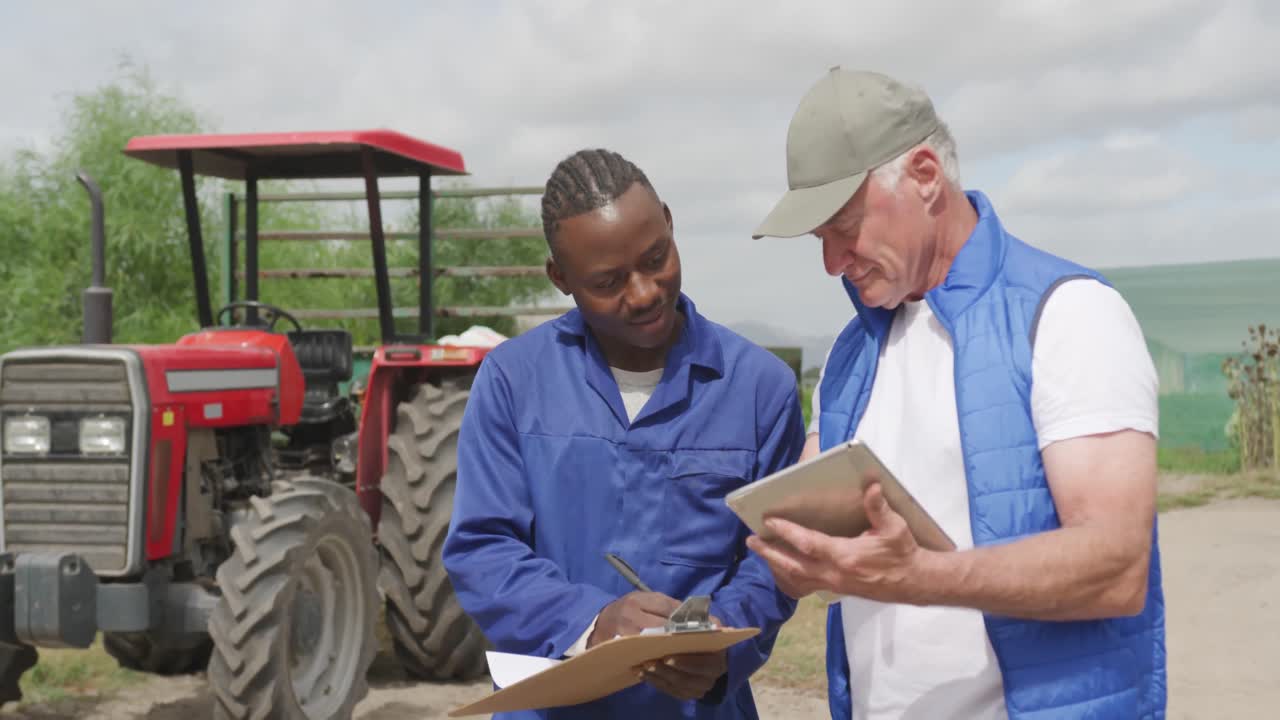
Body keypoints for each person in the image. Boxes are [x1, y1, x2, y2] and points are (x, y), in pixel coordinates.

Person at [746, 68, 1167, 720]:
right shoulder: (851, 354)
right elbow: (820, 533)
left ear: (924, 176)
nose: (831, 261)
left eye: (844, 226)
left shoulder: (1069, 315)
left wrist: (916, 578)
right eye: (818, 239)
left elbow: (1115, 566)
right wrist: (799, 560)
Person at [442, 148, 806, 719]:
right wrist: (589, 624)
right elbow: (483, 549)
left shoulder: (761, 389)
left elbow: (777, 558)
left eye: (656, 257)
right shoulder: (514, 380)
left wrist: (721, 642)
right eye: (608, 282)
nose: (643, 292)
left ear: (667, 219)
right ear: (560, 278)